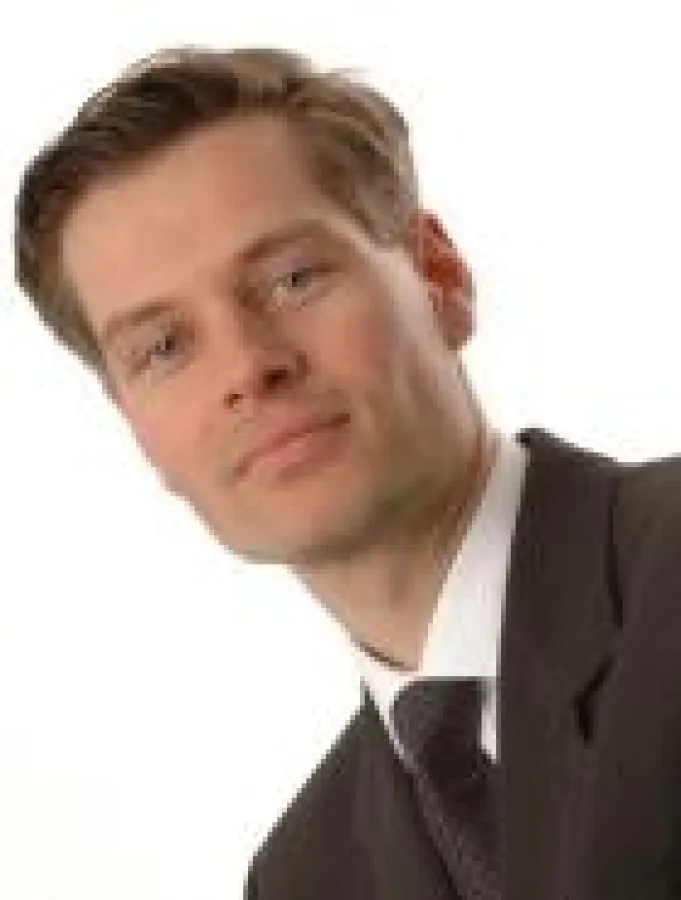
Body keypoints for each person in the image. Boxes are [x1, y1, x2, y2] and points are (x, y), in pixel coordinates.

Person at [13, 46, 681, 900]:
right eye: (165, 346)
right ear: (137, 428)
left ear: (438, 275)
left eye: (292, 279)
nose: (247, 368)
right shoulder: (302, 877)